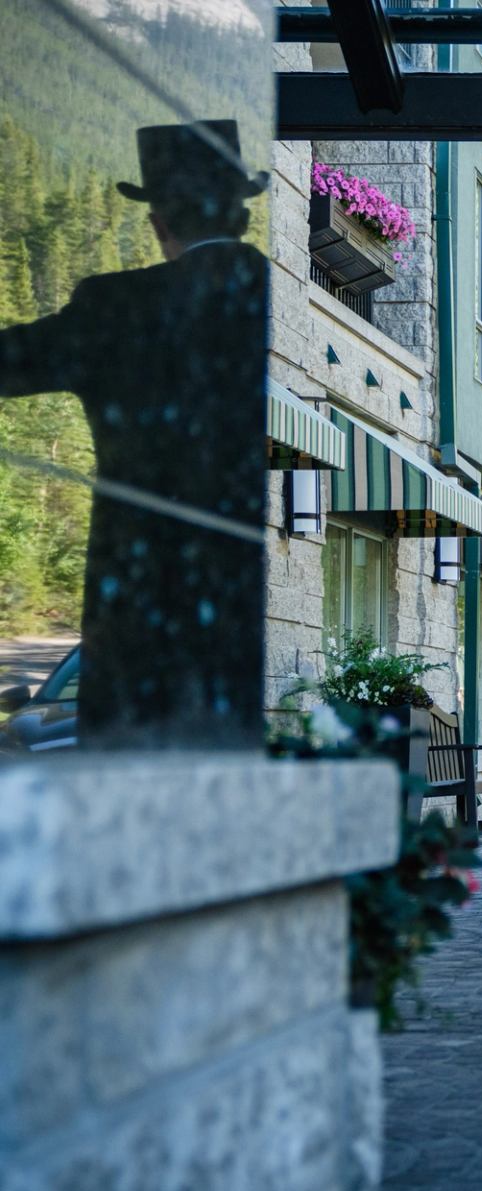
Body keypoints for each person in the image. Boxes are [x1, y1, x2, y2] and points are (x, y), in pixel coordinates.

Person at [0, 120, 270, 750]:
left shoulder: (115, 307)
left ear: (159, 224)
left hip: (136, 619)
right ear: (241, 216)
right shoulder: (276, 300)